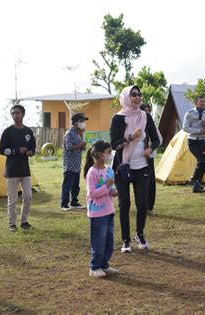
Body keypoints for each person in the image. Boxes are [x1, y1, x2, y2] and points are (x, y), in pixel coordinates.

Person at [110, 86, 160, 253]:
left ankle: (139, 234)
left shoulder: (145, 116)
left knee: (142, 203)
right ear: (126, 97)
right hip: (122, 168)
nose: (138, 97)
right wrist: (131, 137)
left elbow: (157, 140)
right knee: (124, 204)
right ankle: (125, 240)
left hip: (142, 167)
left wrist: (149, 150)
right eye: (134, 95)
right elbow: (113, 144)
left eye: (139, 95)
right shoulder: (118, 118)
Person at [84, 140, 119, 277]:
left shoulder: (109, 170)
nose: (111, 155)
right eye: (109, 152)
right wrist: (106, 187)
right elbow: (92, 194)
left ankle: (105, 265)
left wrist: (113, 190)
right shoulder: (92, 172)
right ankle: (94, 267)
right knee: (98, 242)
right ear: (100, 154)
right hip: (97, 214)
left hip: (109, 211)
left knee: (109, 242)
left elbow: (111, 188)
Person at [0, 104, 36, 232]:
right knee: (13, 199)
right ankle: (12, 223)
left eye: (17, 113)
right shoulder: (8, 131)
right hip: (12, 170)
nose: (15, 115)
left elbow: (33, 147)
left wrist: (31, 152)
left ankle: (24, 221)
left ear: (23, 114)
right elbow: (1, 150)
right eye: (13, 113)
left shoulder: (28, 131)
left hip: (25, 169)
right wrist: (16, 150)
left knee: (28, 196)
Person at [183, 96, 205, 193]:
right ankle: (193, 179)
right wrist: (198, 130)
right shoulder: (189, 113)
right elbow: (185, 128)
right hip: (193, 141)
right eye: (201, 101)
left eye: (204, 101)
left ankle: (197, 184)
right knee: (202, 159)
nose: (203, 103)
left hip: (202, 141)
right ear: (196, 103)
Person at [61, 113, 88, 211]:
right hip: (69, 165)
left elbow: (82, 148)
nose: (83, 123)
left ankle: (74, 202)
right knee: (67, 185)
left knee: (76, 185)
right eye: (81, 121)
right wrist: (81, 145)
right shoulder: (69, 133)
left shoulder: (78, 134)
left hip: (77, 164)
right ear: (75, 122)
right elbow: (69, 147)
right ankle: (64, 204)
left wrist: (83, 144)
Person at [140, 104, 163, 215]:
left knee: (151, 182)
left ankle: (149, 207)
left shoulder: (151, 125)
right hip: (136, 158)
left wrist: (150, 147)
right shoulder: (135, 124)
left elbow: (159, 140)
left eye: (149, 111)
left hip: (149, 158)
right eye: (145, 111)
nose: (147, 113)